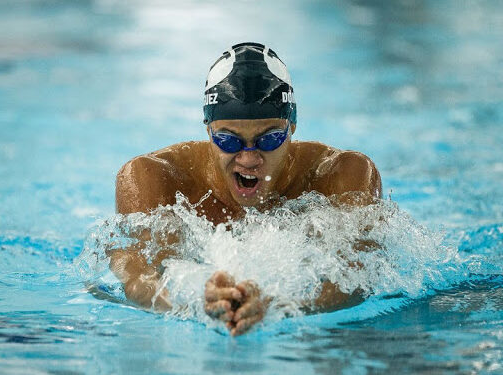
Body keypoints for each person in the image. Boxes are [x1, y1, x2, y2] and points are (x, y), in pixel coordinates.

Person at [108, 42, 382, 336]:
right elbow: (136, 278)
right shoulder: (152, 177)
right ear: (208, 130)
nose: (249, 158)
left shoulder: (342, 174)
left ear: (292, 127)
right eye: (229, 140)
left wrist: (281, 304)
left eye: (269, 139)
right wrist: (192, 301)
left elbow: (359, 274)